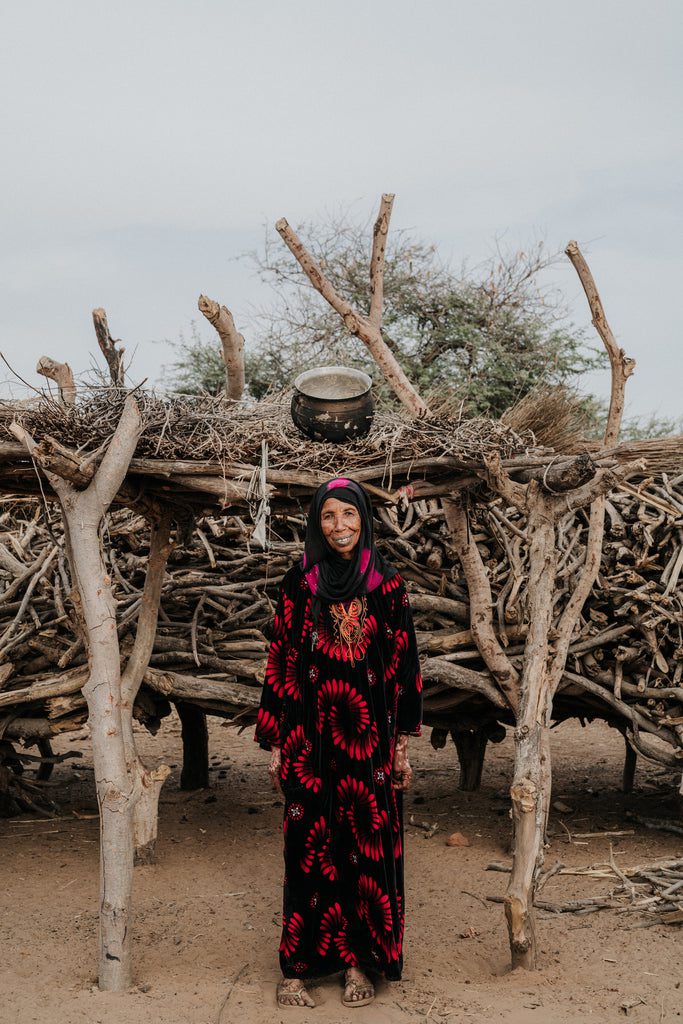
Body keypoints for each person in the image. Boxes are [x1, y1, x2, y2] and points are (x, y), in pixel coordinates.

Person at [254, 476, 423, 1009]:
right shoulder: (298, 583)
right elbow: (280, 660)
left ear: (364, 520)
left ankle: (356, 964)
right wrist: (276, 739)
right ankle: (296, 969)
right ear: (316, 524)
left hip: (368, 744)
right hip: (308, 742)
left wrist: (399, 747)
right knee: (305, 850)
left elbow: (405, 670)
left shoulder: (386, 585)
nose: (339, 527)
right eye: (328, 517)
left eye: (348, 516)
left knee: (362, 853)